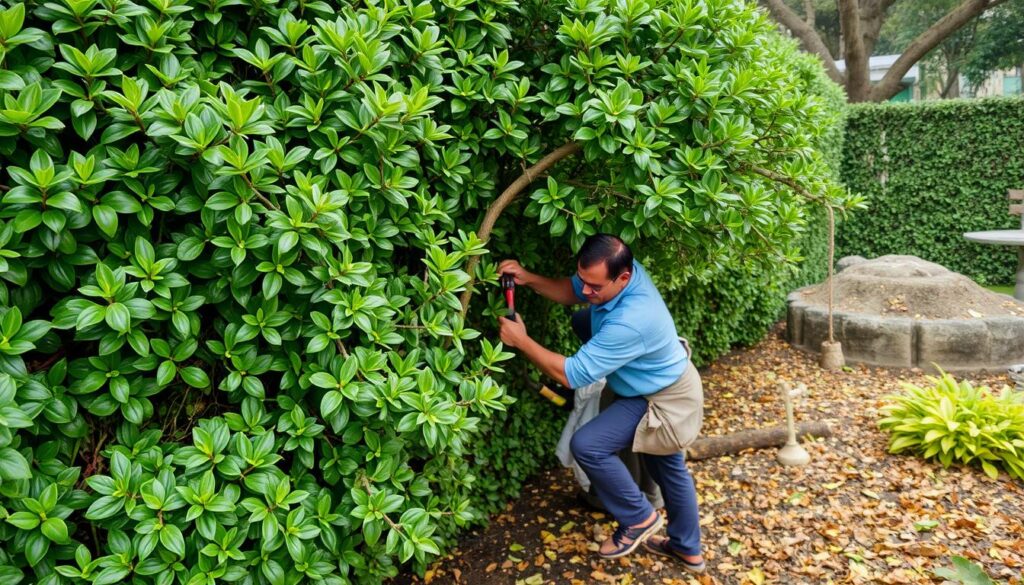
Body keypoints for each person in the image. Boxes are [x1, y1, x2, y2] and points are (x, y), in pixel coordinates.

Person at [497, 234, 705, 574]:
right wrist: (529, 278)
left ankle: (639, 518)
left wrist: (522, 341)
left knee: (589, 445)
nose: (586, 292)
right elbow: (574, 290)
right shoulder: (617, 271)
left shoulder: (632, 321)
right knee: (667, 468)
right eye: (584, 280)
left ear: (623, 277)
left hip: (663, 400)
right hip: (655, 380)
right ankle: (687, 550)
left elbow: (571, 375)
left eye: (594, 286)